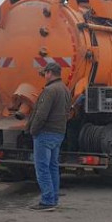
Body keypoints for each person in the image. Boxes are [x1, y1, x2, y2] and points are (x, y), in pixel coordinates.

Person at [27, 62, 71, 211]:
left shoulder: (50, 90)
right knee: (53, 167)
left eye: (45, 72)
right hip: (59, 133)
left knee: (42, 168)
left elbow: (41, 114)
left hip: (45, 133)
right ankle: (54, 198)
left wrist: (33, 130)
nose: (44, 75)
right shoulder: (65, 89)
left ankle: (47, 200)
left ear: (50, 73)